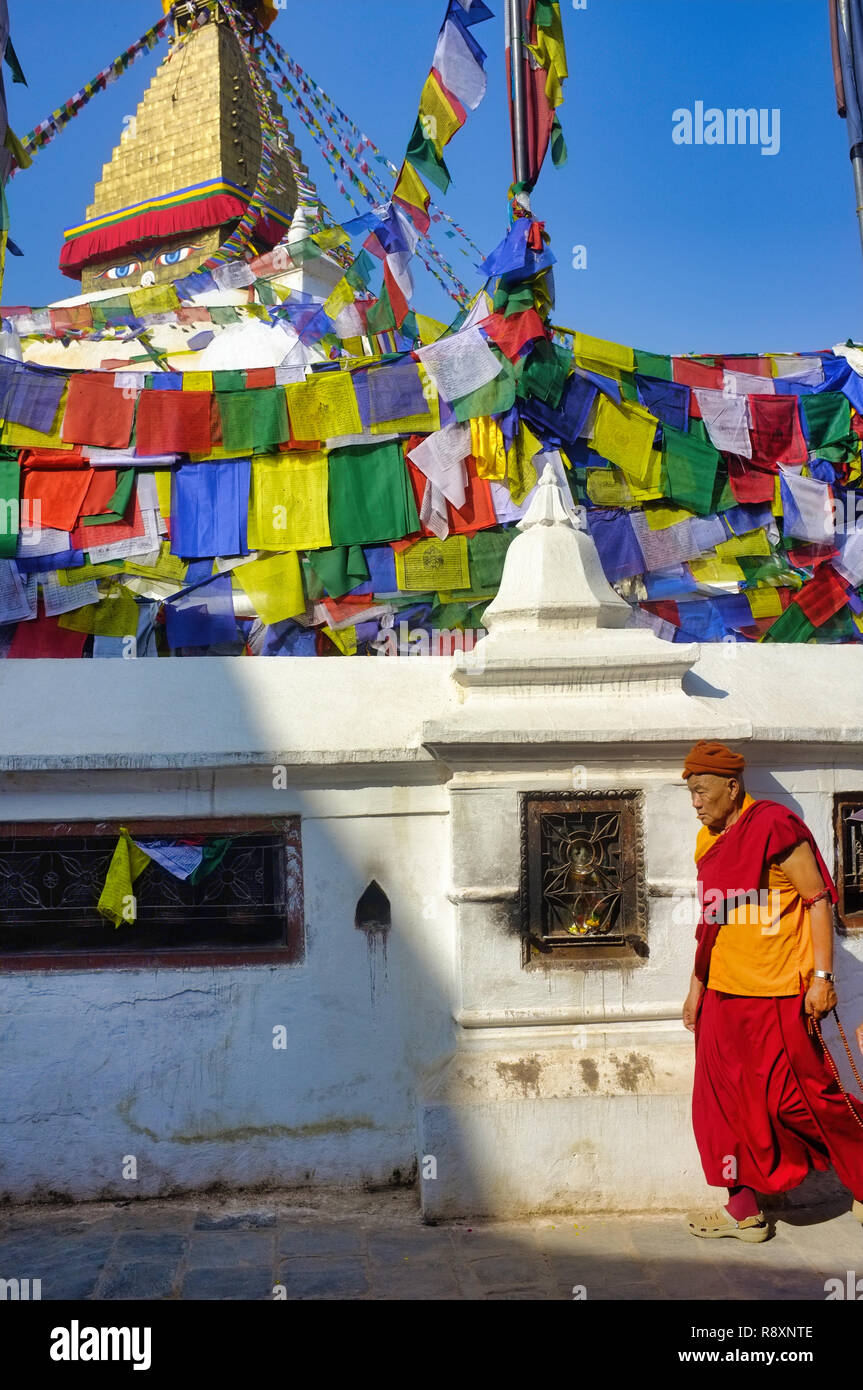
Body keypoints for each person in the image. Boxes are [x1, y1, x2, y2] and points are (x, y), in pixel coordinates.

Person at [681, 740, 863, 1242]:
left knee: (804, 1100)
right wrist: (696, 987)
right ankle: (743, 1210)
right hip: (722, 992)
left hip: (778, 992)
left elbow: (818, 900)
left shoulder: (773, 826)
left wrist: (823, 979)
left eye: (701, 790)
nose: (695, 802)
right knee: (719, 1106)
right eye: (690, 793)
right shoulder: (708, 841)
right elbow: (711, 920)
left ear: (732, 786)